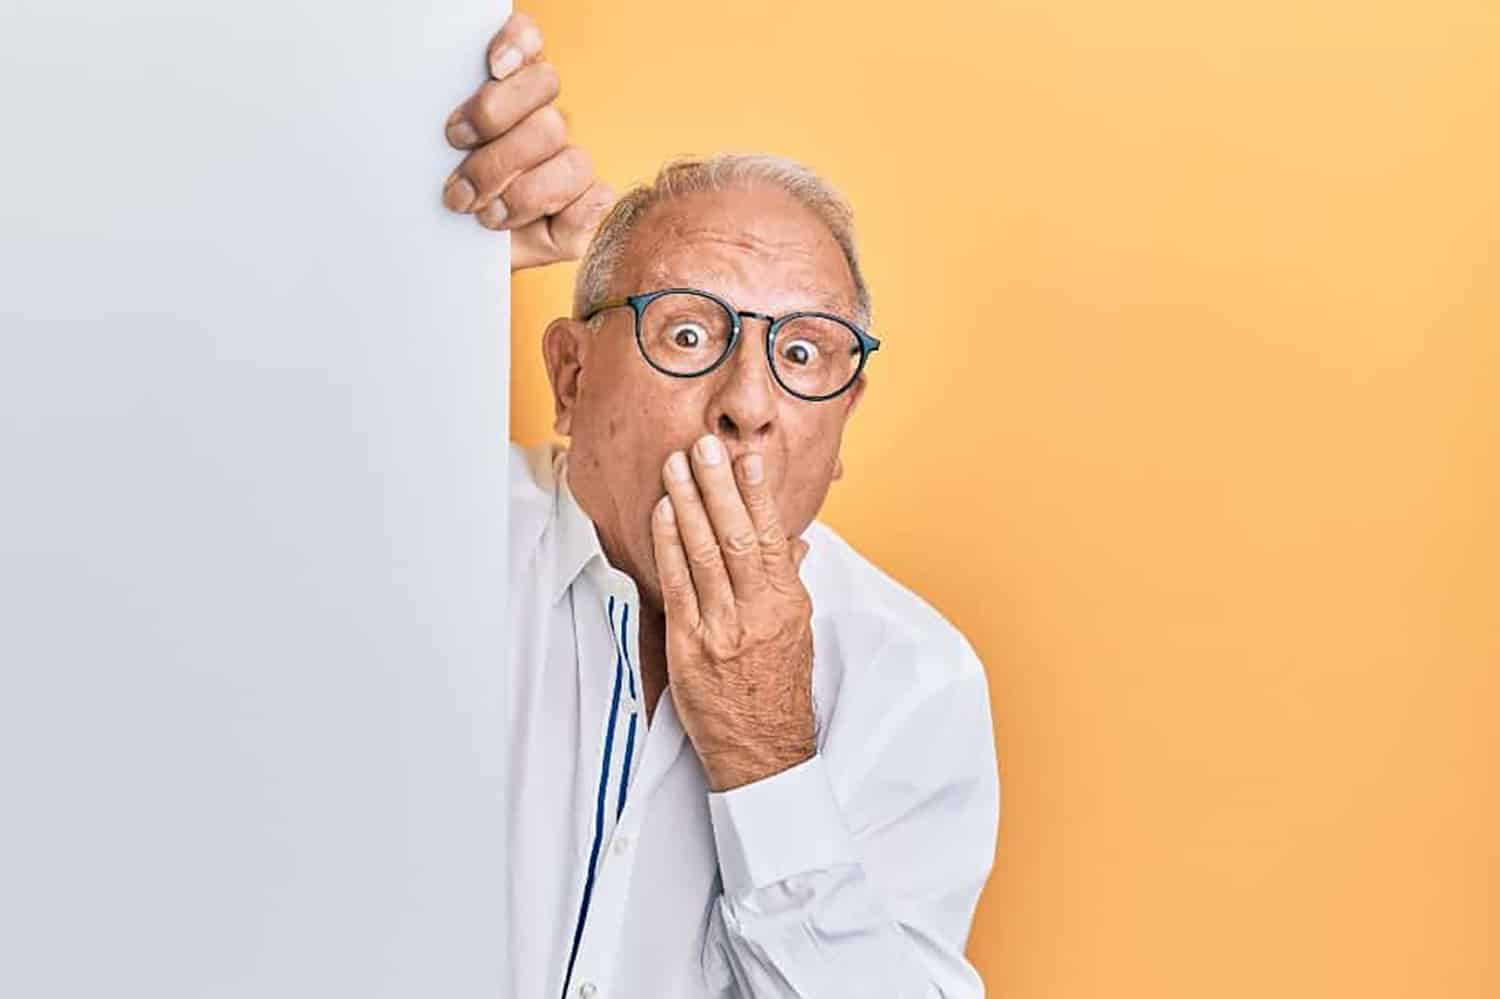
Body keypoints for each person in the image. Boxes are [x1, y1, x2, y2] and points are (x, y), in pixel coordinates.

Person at [443, 13, 1000, 998]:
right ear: (570, 375)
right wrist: (415, 246)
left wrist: (763, 751)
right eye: (690, 334)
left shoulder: (914, 679)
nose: (747, 404)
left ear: (843, 424)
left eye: (800, 355)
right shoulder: (438, 534)